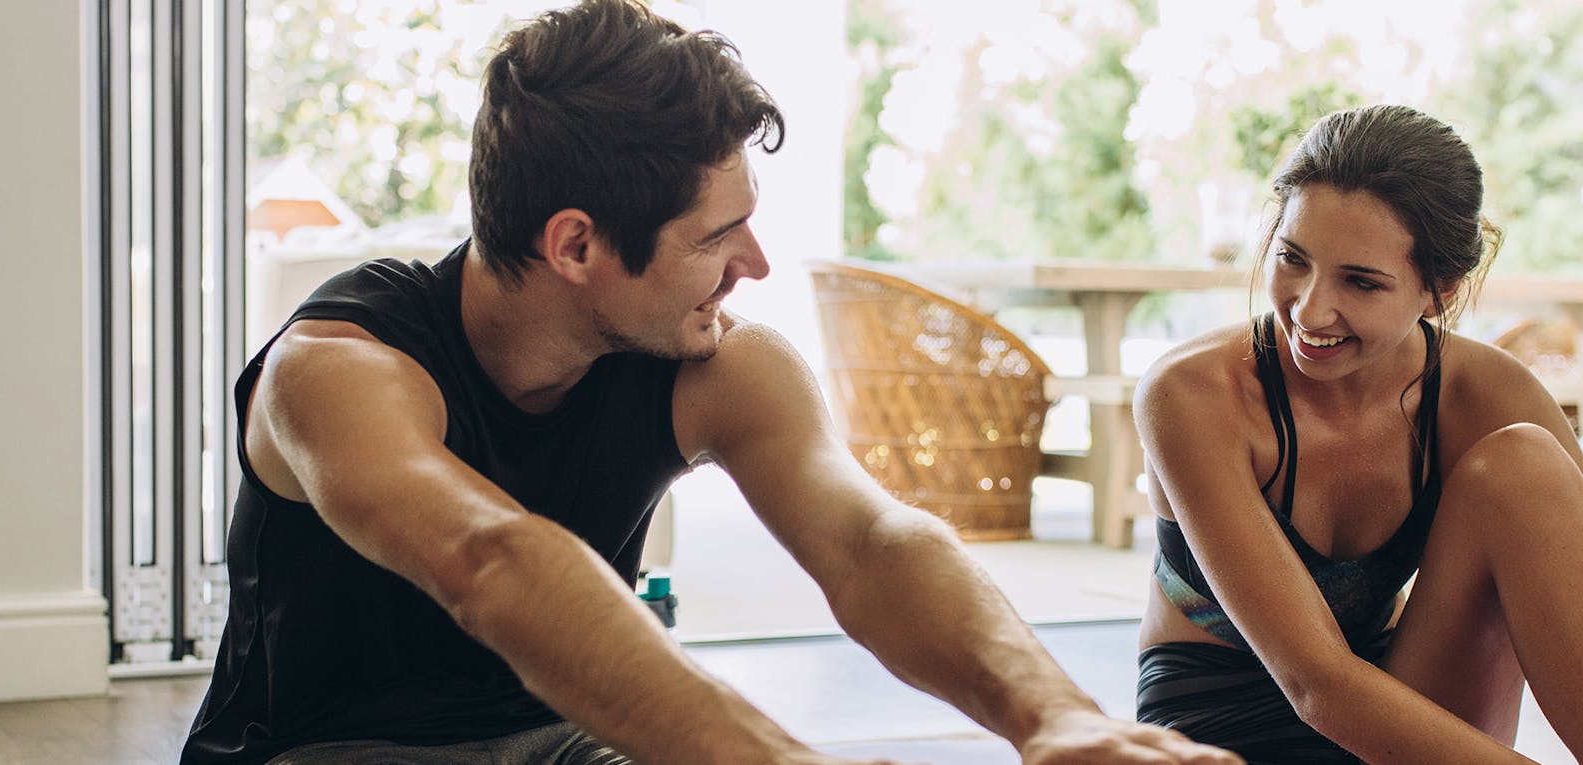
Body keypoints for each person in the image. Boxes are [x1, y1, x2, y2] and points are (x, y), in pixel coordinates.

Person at [182, 2, 1238, 763]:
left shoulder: (714, 364)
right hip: (321, 750)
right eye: (717, 235)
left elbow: (871, 543)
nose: (756, 265)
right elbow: (489, 563)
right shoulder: (336, 370)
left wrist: (1056, 716)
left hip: (564, 741)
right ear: (576, 244)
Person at [1135, 104, 1583, 763]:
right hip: (1227, 730)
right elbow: (1317, 686)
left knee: (1525, 464)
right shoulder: (1193, 394)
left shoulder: (1483, 392)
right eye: (1293, 259)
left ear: (1440, 290)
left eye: (1362, 281)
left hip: (1402, 717)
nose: (1310, 309)